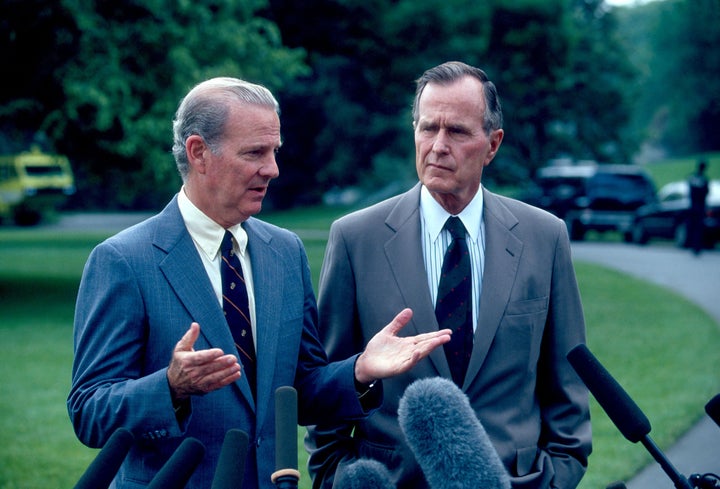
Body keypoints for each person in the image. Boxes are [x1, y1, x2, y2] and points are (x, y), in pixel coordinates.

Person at [67, 77, 451, 489]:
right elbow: (90, 411)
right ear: (199, 152)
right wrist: (170, 387)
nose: (273, 169)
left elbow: (300, 388)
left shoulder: (285, 252)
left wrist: (358, 371)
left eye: (274, 151)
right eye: (255, 153)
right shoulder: (123, 260)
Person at [305, 61, 592, 489]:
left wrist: (553, 478)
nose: (438, 145)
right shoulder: (355, 238)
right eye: (427, 128)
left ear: (492, 144)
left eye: (456, 131)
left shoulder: (544, 237)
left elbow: (568, 390)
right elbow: (326, 391)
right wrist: (340, 477)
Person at [687, 160, 709, 254]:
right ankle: (697, 246)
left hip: (693, 207)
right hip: (700, 207)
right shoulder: (704, 179)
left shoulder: (692, 177)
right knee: (698, 228)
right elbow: (706, 192)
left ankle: (694, 246)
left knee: (693, 227)